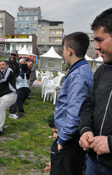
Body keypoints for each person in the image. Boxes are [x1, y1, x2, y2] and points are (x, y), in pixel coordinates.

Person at [52, 32, 94, 175]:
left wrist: (62, 141)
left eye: (63, 49)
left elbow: (74, 112)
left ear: (69, 50)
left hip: (70, 141)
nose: (63, 53)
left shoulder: (79, 74)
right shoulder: (81, 70)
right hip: (70, 137)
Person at [79, 8, 112, 174]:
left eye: (100, 40)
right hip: (93, 162)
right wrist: (85, 129)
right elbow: (89, 105)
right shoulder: (101, 71)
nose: (96, 47)